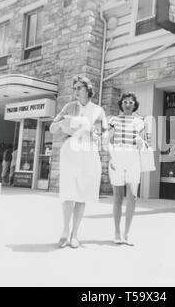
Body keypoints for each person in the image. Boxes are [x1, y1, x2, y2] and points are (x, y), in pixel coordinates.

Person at [50, 75, 108, 249]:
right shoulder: (69, 107)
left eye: (79, 88)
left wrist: (99, 135)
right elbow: (53, 127)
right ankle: (65, 232)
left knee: (82, 193)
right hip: (70, 150)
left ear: (88, 89)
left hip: (89, 151)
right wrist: (64, 124)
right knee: (68, 191)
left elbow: (105, 133)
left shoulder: (98, 110)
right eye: (74, 88)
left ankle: (75, 235)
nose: (75, 91)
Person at [108, 92, 145, 246]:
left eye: (131, 102)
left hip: (133, 159)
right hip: (117, 157)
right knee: (117, 196)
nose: (128, 104)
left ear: (134, 105)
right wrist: (111, 157)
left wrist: (140, 141)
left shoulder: (140, 121)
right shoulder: (113, 120)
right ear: (121, 104)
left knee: (132, 196)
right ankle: (116, 232)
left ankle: (126, 234)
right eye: (125, 102)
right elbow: (108, 140)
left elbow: (144, 141)